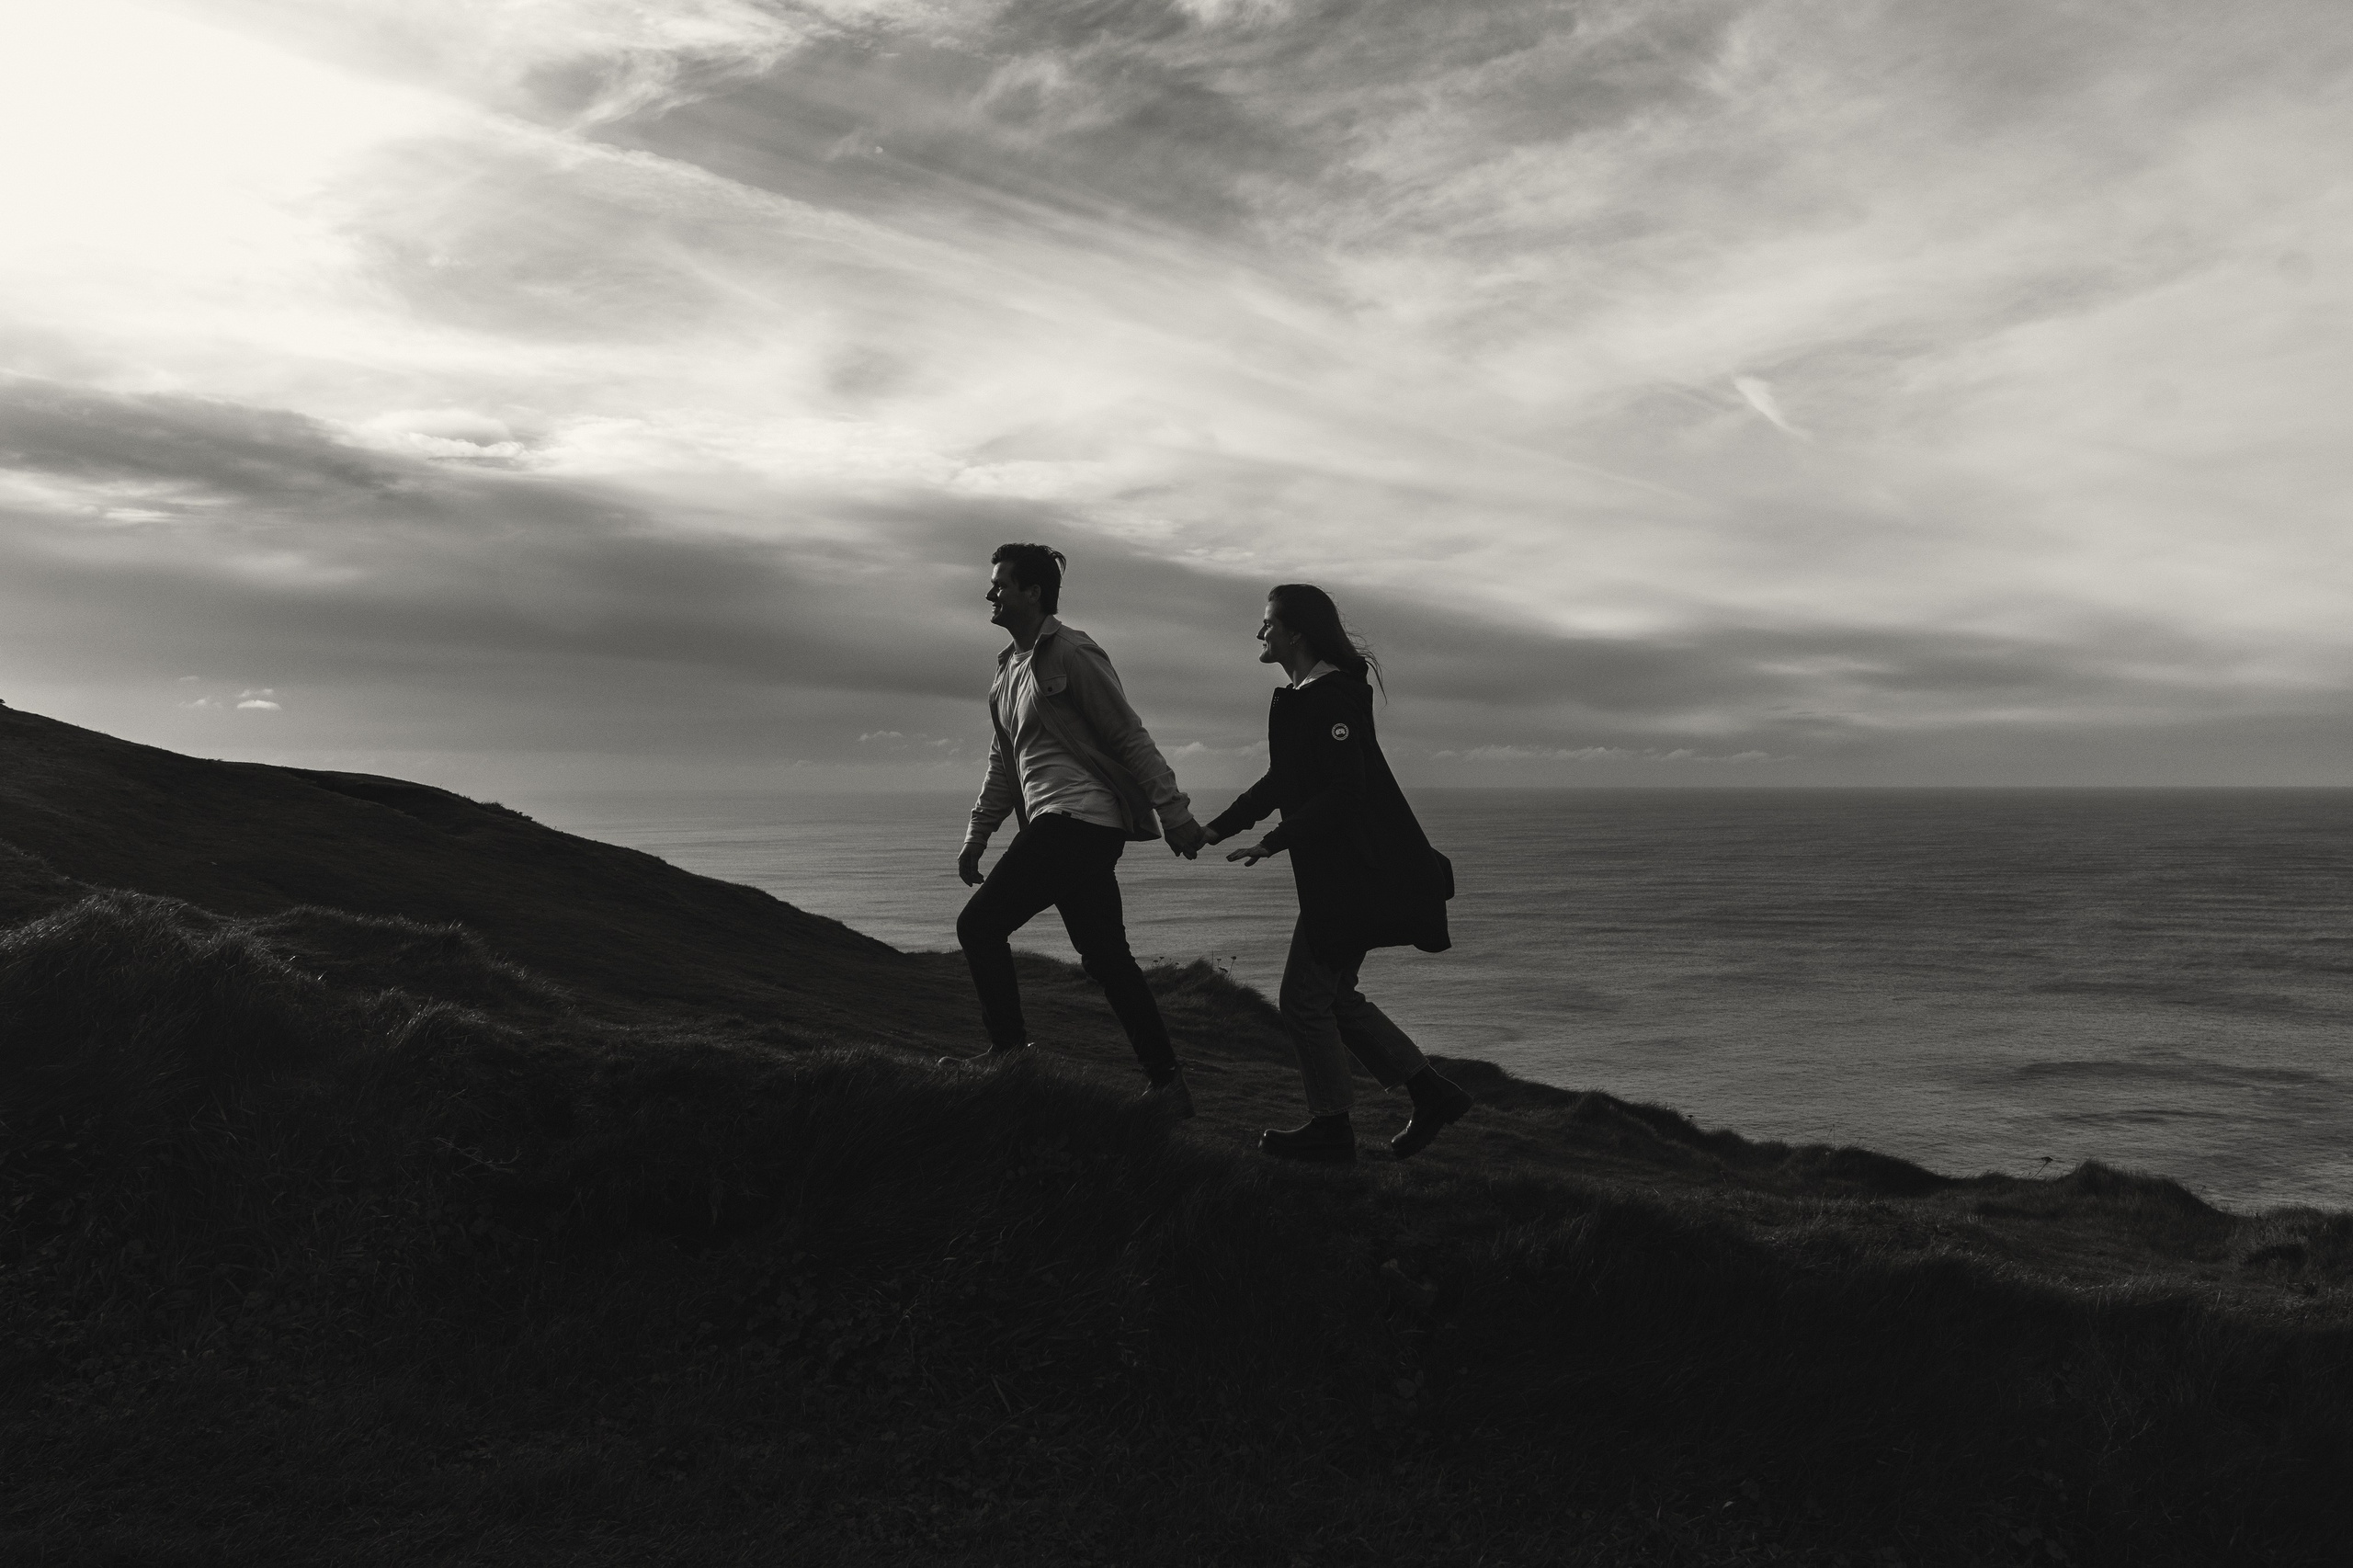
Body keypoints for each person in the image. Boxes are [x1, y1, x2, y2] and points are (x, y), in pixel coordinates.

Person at [1202, 585, 1472, 1162]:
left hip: (1356, 876)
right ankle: (1430, 1094)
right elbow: (1284, 780)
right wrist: (1219, 829)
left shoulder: (1332, 700)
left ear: (1296, 633)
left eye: (1268, 623)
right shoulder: (1305, 696)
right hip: (1341, 876)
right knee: (1332, 995)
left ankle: (1333, 1127)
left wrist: (1274, 841)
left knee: (1303, 1001)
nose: (1260, 633)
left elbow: (1347, 793)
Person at [953, 543, 1209, 1116]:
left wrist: (1175, 812)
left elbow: (1127, 735)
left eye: (1000, 584)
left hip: (1079, 821)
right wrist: (978, 834)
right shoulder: (1006, 672)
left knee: (979, 926)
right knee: (1105, 959)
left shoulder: (1071, 653)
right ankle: (1168, 1087)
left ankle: (1009, 1056)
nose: (990, 594)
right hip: (1058, 824)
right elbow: (1004, 763)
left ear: (1033, 593)